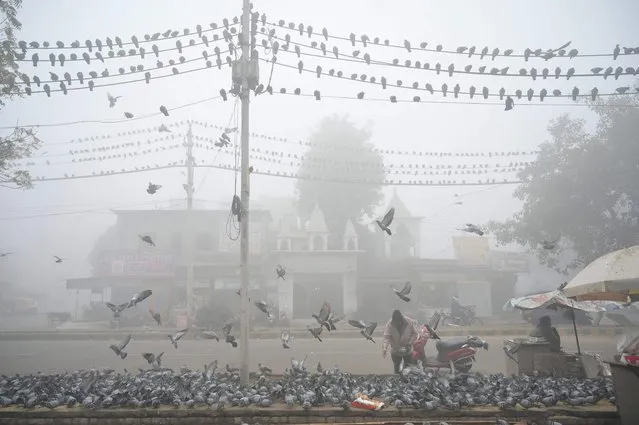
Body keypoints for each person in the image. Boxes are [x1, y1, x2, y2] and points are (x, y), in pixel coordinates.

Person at [382, 309, 419, 373]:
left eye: (398, 322)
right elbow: (386, 337)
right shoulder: (390, 324)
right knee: (396, 368)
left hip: (408, 350)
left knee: (408, 369)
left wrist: (410, 343)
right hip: (395, 350)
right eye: (395, 323)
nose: (397, 324)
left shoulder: (409, 321)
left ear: (401, 319)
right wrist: (385, 348)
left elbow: (415, 334)